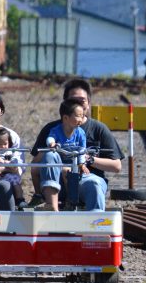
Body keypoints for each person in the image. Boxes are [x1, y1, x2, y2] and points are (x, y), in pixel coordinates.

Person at [30, 78, 125, 211]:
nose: (78, 105)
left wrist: (89, 159)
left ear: (89, 102)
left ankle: (95, 226)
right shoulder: (51, 129)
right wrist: (50, 151)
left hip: (85, 178)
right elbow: (35, 164)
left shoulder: (98, 129)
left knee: (94, 184)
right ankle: (52, 209)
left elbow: (117, 166)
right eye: (73, 101)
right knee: (50, 158)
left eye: (82, 101)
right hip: (57, 182)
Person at [36, 97, 90, 211]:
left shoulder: (80, 133)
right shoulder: (56, 130)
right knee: (50, 157)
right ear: (65, 118)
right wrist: (51, 143)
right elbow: (50, 137)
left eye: (82, 116)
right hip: (58, 163)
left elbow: (82, 150)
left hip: (72, 164)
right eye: (78, 116)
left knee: (68, 172)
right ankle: (49, 202)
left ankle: (70, 201)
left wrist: (82, 164)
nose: (81, 119)